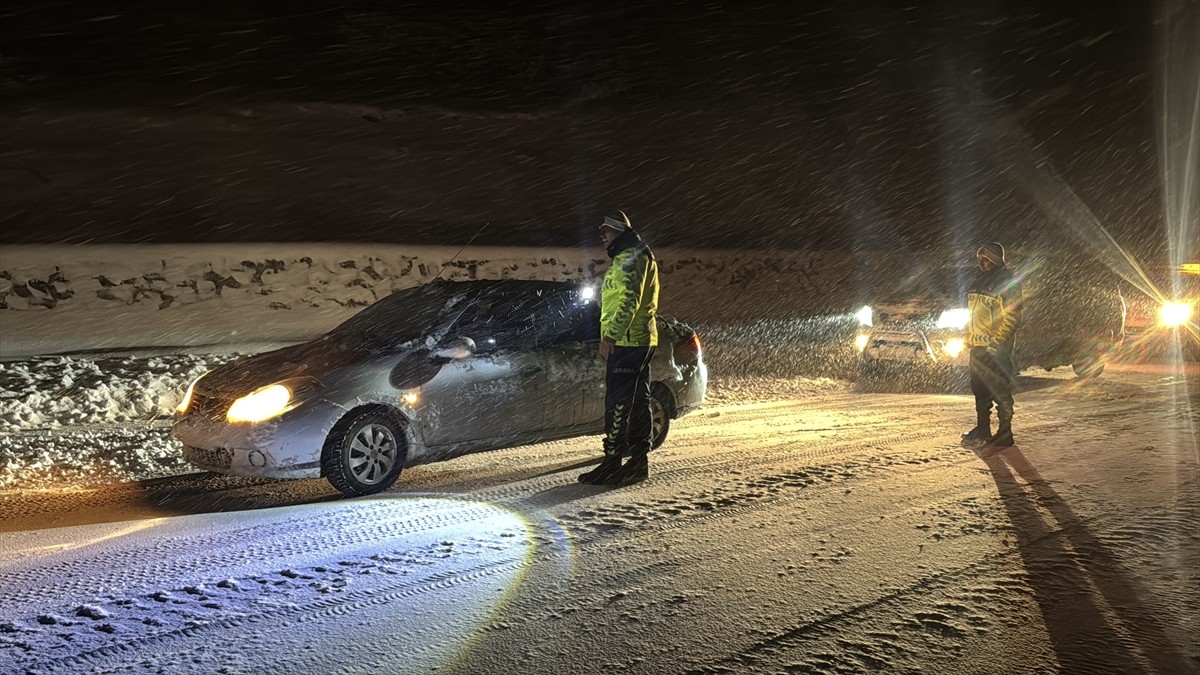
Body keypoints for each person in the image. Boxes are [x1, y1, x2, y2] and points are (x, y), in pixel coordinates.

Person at [578, 211, 660, 486]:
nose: (602, 237)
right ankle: (638, 463)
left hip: (627, 341)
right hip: (638, 340)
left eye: (606, 232)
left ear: (618, 232)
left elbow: (628, 302)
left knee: (618, 404)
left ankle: (612, 462)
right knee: (638, 402)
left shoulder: (629, 258)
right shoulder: (635, 255)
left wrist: (610, 337)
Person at [962, 241, 1023, 448]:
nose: (982, 262)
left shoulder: (1007, 282)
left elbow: (1012, 316)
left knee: (999, 390)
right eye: (980, 258)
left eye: (986, 258)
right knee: (979, 389)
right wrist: (967, 334)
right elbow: (973, 314)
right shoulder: (978, 281)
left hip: (995, 348)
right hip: (976, 346)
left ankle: (1005, 433)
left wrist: (998, 342)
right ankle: (983, 428)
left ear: (996, 259)